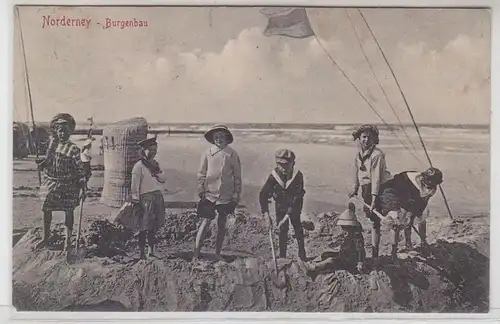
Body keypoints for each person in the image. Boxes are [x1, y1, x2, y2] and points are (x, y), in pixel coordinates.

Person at [36, 113, 89, 251]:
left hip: (67, 185)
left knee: (68, 211)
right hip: (50, 183)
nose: (62, 133)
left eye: (65, 130)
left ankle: (68, 241)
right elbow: (48, 162)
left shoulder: (74, 149)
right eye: (60, 130)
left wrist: (83, 187)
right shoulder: (52, 145)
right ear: (56, 131)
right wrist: (42, 164)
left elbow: (80, 170)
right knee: (46, 209)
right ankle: (45, 238)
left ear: (70, 132)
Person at [194, 125, 242, 263]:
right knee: (205, 222)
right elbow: (201, 173)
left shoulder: (232, 154)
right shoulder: (208, 153)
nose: (219, 139)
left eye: (221, 137)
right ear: (213, 139)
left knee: (222, 224)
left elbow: (237, 176)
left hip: (225, 195)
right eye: (216, 137)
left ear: (227, 138)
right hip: (209, 193)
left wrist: (236, 194)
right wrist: (200, 189)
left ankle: (217, 253)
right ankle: (196, 253)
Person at [378, 167, 443, 258]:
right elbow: (399, 196)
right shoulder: (408, 179)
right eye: (427, 183)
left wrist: (417, 213)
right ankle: (394, 250)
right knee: (399, 221)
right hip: (398, 193)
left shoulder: (432, 188)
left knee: (421, 217)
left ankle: (421, 242)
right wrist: (407, 213)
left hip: (413, 197)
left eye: (432, 184)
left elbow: (424, 201)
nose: (429, 186)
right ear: (423, 178)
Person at [348, 124, 392, 259]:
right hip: (366, 188)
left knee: (375, 221)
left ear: (374, 139)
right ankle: (374, 251)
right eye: (364, 137)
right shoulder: (358, 155)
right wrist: (354, 188)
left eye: (369, 137)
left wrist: (373, 199)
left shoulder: (377, 154)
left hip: (381, 189)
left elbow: (376, 178)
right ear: (359, 138)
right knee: (372, 220)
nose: (366, 140)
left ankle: (375, 253)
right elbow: (356, 173)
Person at [259, 149, 307, 261]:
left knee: (297, 227)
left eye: (286, 165)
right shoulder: (274, 176)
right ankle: (282, 257)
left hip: (295, 206)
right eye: (279, 165)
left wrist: (287, 217)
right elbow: (263, 195)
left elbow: (297, 198)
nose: (282, 168)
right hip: (280, 206)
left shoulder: (298, 176)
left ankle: (302, 254)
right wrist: (266, 214)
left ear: (293, 164)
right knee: (282, 230)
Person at [130, 136, 167, 260]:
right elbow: (134, 186)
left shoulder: (155, 164)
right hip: (144, 199)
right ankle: (141, 253)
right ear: (143, 151)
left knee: (153, 227)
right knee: (142, 227)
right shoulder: (139, 166)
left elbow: (163, 179)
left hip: (156, 198)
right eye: (150, 149)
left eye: (154, 149)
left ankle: (151, 251)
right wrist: (135, 201)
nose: (152, 152)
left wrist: (157, 171)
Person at [301, 202, 365, 273]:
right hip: (344, 256)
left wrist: (360, 263)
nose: (342, 227)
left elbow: (361, 250)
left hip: (350, 263)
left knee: (331, 260)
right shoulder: (349, 234)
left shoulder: (356, 236)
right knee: (326, 254)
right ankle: (314, 263)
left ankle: (313, 268)